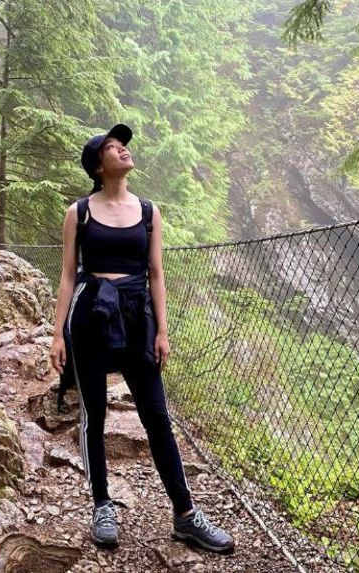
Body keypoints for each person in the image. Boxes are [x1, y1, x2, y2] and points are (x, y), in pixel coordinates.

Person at [48, 123, 234, 553]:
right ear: (98, 165)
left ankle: (185, 515)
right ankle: (101, 506)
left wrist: (163, 331)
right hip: (91, 313)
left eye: (123, 145)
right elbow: (66, 275)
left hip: (137, 317)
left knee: (157, 416)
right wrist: (57, 334)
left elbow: (156, 273)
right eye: (112, 148)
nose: (122, 151)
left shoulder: (149, 213)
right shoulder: (79, 212)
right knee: (94, 413)